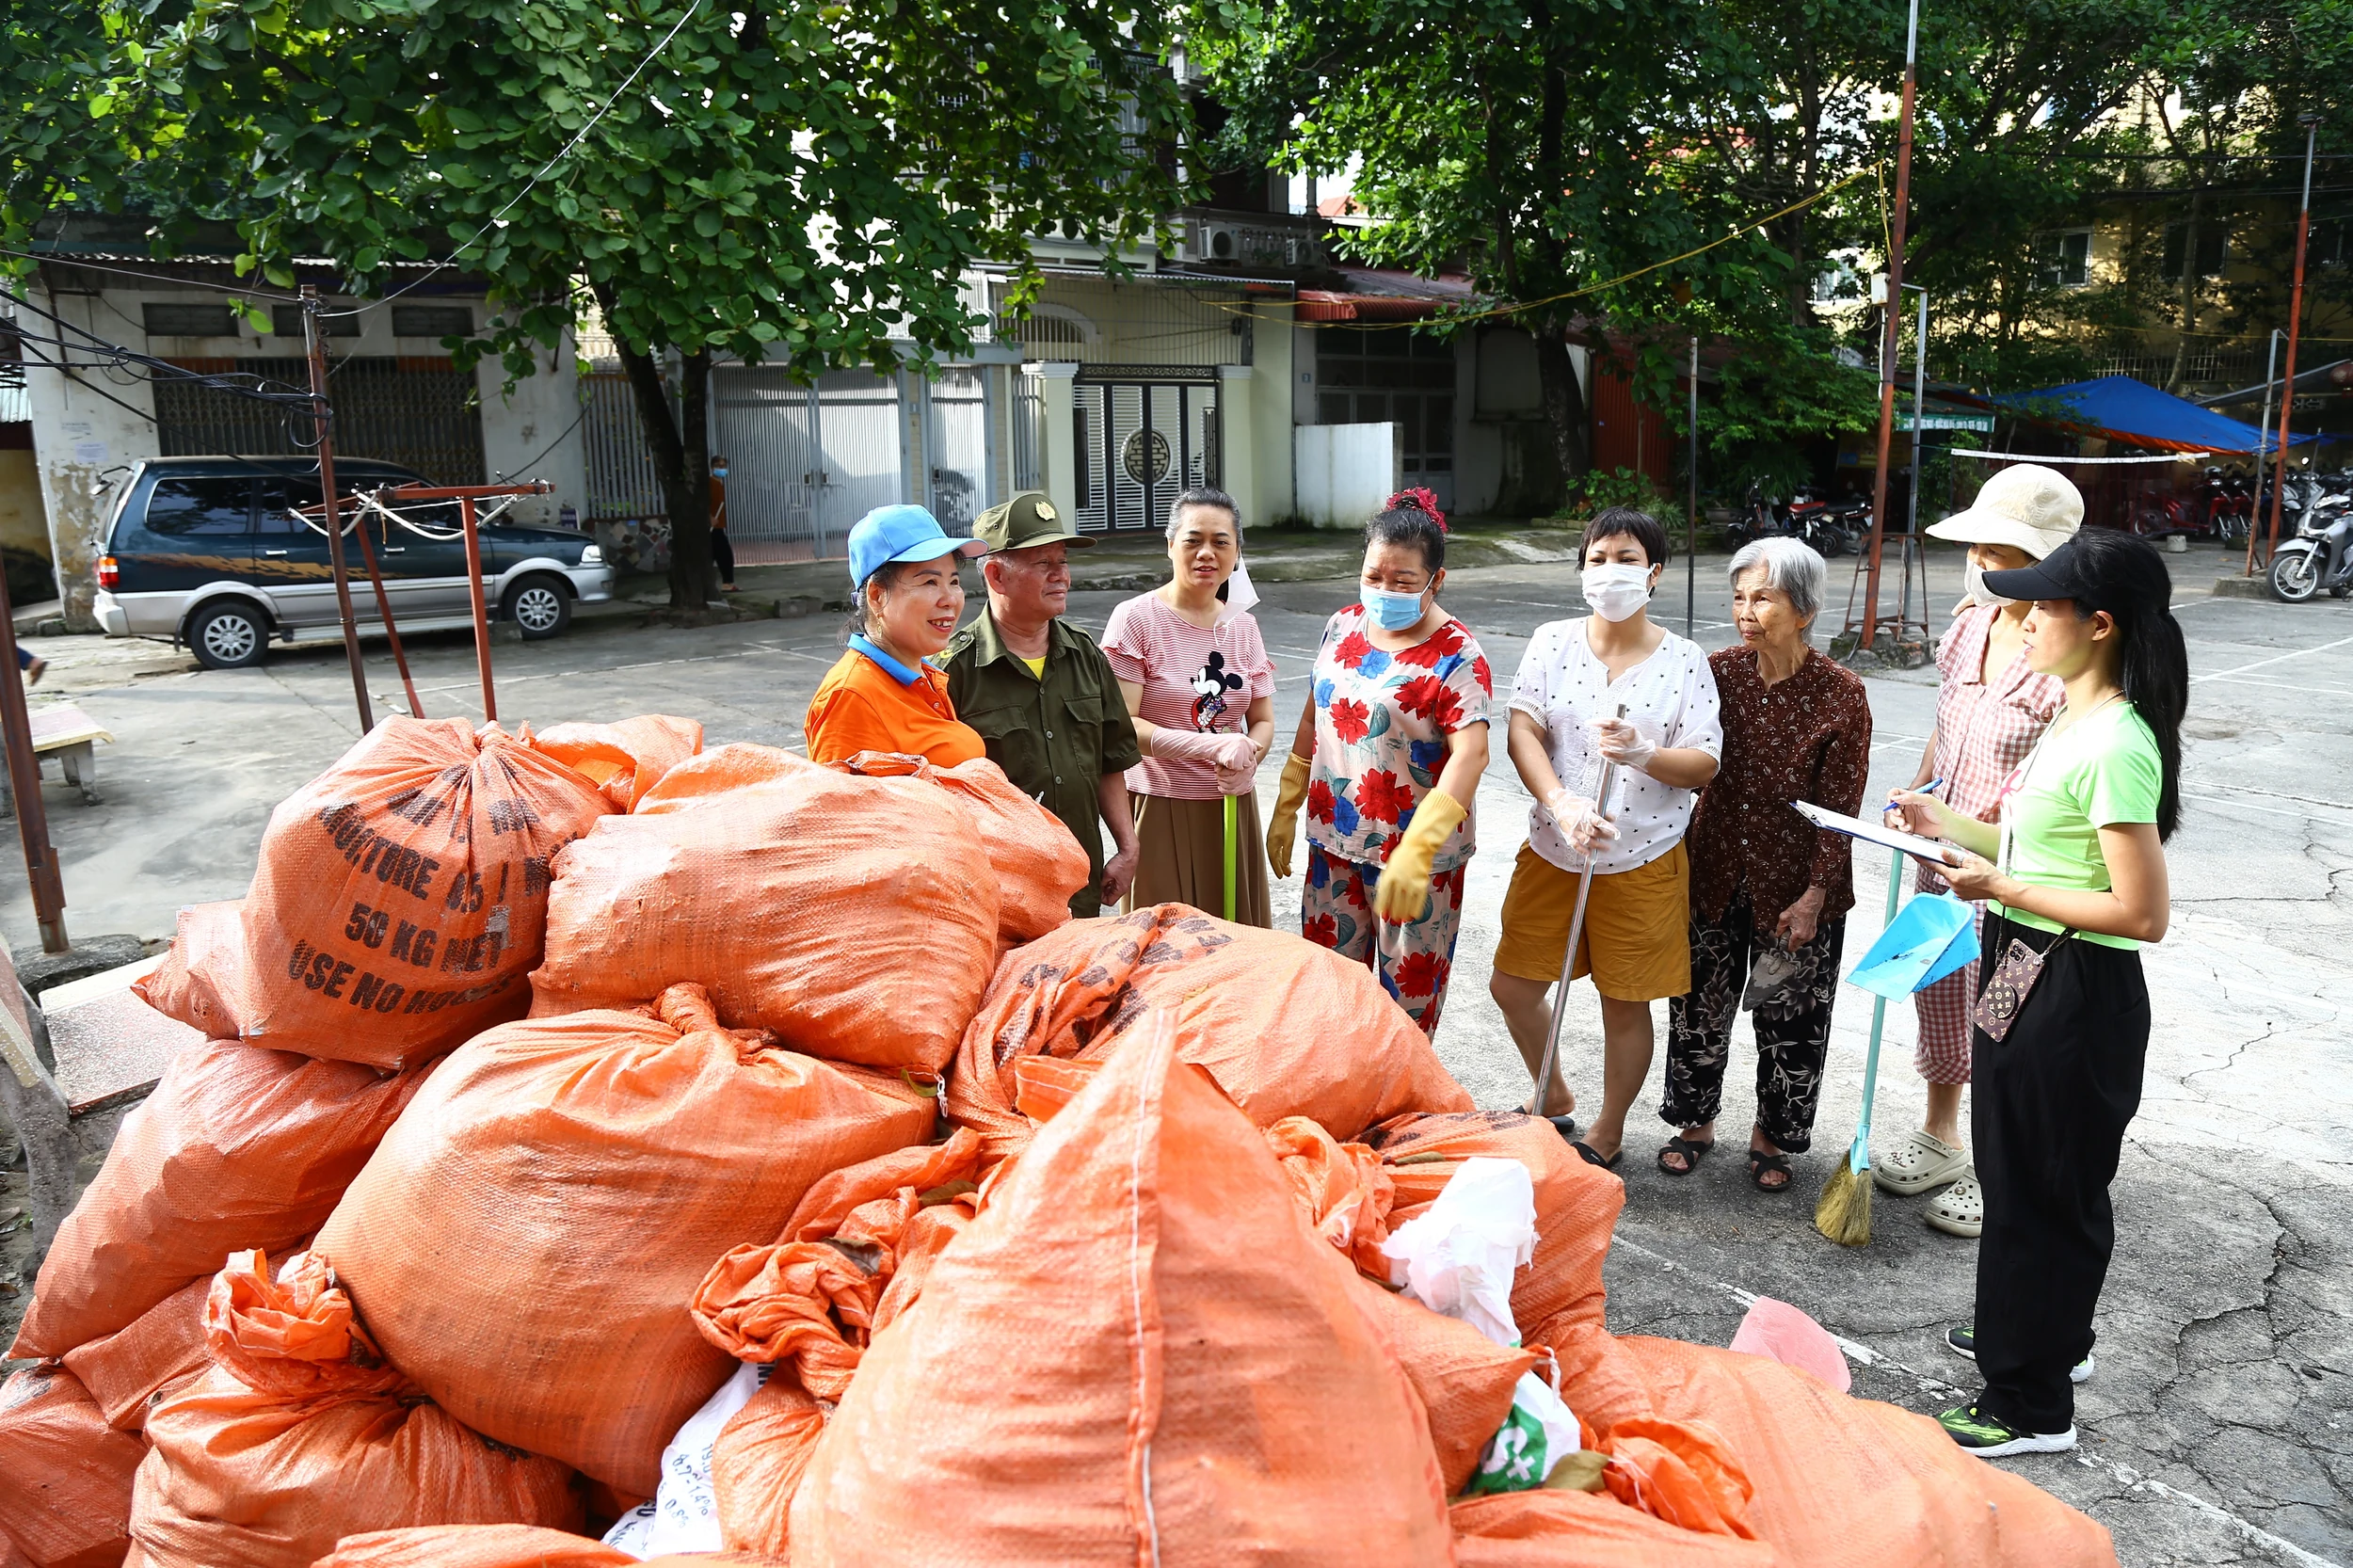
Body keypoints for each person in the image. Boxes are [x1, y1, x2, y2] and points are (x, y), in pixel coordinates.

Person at [1889, 528, 2184, 1459]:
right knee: (2018, 1172)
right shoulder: (2071, 719)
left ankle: (2029, 1404)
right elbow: (2041, 849)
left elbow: (2139, 911)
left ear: (2097, 626)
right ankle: (2044, 1334)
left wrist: (1999, 887)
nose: (2021, 623)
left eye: (2041, 608)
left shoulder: (2114, 742)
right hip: (2024, 959)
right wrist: (1956, 828)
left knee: (2045, 1189)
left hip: (2072, 982)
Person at [1874, 463, 2076, 1236]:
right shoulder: (1967, 626)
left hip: (2013, 876)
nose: (1985, 564)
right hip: (1940, 862)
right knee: (1942, 999)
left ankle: (2003, 1165)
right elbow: (1947, 724)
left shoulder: (2064, 653)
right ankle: (1943, 1132)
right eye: (1981, 549)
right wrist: (1917, 784)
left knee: (2006, 1019)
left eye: (2005, 553)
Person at [1491, 506, 1722, 1168]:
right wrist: (1561, 803)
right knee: (1514, 986)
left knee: (1624, 1003)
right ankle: (1552, 1090)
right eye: (1598, 558)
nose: (1610, 572)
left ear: (1654, 575)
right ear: (1581, 569)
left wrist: (1646, 754)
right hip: (1554, 847)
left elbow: (1704, 762)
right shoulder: (1552, 641)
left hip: (1642, 854)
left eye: (1626, 559)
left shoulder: (1684, 661)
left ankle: (1609, 1129)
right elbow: (1524, 729)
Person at [1657, 538, 1871, 1191]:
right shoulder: (1716, 672)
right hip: (1715, 869)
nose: (1746, 611)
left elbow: (1840, 810)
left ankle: (1773, 1134)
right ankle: (1695, 1123)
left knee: (1792, 1017)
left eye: (1764, 598)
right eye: (1740, 597)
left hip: (1798, 887)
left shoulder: (1841, 695)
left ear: (1803, 610)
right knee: (1697, 1004)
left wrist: (1814, 897)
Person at [1265, 488, 1493, 1035]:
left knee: (1402, 1011)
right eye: (1373, 576)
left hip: (1414, 862)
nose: (1383, 591)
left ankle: (1397, 1112)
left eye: (1402, 581)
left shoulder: (1457, 654)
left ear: (1436, 580)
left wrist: (1419, 848)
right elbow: (1314, 712)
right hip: (1334, 841)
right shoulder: (1342, 625)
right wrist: (1288, 800)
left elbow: (1473, 752)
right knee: (1329, 992)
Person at [940, 491, 1143, 917]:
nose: (1061, 576)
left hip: (1079, 882)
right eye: (1043, 564)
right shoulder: (953, 670)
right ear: (996, 575)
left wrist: (1127, 847)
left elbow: (1110, 760)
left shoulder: (1086, 656)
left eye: (1064, 561)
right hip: (1000, 890)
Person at [1102, 488, 1276, 925]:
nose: (1206, 553)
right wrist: (1206, 748)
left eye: (1221, 542)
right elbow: (1124, 724)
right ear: (1170, 545)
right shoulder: (1136, 618)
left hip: (1231, 805)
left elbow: (1263, 720)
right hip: (1160, 803)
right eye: (1193, 540)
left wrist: (1249, 756)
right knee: (1163, 948)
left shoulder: (1244, 626)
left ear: (1237, 553)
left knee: (1235, 944)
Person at [803, 504, 988, 766]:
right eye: (929, 582)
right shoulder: (851, 697)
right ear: (877, 597)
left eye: (954, 582)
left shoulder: (923, 673)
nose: (950, 599)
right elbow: (842, 805)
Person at [708, 456, 737, 593]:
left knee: (717, 555)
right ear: (712, 467)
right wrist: (710, 517)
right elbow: (701, 503)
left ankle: (726, 583)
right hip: (713, 527)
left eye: (724, 466)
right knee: (725, 555)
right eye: (719, 466)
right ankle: (727, 583)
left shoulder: (720, 484)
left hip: (718, 526)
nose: (722, 469)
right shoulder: (709, 483)